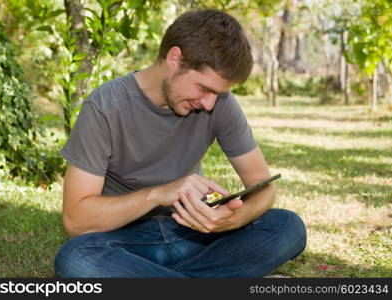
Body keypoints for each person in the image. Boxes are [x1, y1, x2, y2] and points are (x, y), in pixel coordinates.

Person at [54, 8, 306, 278]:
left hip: (194, 232)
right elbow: (76, 219)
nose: (209, 103)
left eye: (218, 94)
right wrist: (157, 194)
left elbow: (264, 188)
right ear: (175, 58)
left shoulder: (220, 103)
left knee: (286, 226)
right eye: (204, 89)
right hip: (127, 238)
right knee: (76, 258)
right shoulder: (105, 107)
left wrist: (233, 219)